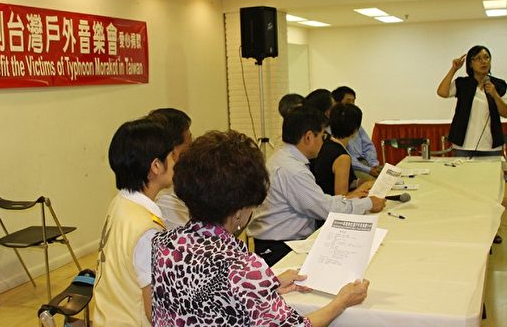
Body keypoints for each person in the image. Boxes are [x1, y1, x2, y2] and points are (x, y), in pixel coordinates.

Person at [151, 130, 370, 327]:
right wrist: (341, 302)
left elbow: (204, 300)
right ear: (239, 210)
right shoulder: (242, 268)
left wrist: (267, 286)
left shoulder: (163, 244)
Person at [247, 106, 386, 266]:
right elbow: (324, 208)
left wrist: (351, 199)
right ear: (308, 137)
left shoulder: (283, 158)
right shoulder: (292, 170)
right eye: (322, 136)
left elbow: (319, 201)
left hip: (281, 241)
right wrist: (368, 203)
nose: (323, 142)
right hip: (281, 248)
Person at [93, 113, 189, 326]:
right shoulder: (147, 230)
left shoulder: (120, 203)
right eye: (171, 156)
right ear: (156, 166)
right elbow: (154, 310)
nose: (175, 162)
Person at [437, 45, 507, 244]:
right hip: (463, 146)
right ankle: (467, 227)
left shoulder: (499, 85)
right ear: (470, 63)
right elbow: (442, 92)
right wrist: (453, 69)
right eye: (478, 58)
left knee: (491, 194)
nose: (483, 61)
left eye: (487, 57)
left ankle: (491, 230)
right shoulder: (462, 83)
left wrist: (494, 94)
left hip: (491, 148)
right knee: (464, 190)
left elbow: (506, 112)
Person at [313, 103, 373, 197]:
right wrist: (366, 186)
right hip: (330, 203)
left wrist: (359, 183)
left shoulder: (325, 142)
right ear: (355, 130)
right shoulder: (342, 157)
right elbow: (342, 198)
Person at [148, 108, 193, 229]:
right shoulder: (163, 198)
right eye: (188, 143)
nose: (192, 149)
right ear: (173, 150)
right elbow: (199, 236)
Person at [332, 86, 381, 178]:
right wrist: (368, 170)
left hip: (367, 163)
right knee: (374, 183)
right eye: (348, 101)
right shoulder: (334, 126)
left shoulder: (356, 122)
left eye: (353, 101)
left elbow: (368, 145)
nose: (352, 105)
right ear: (337, 103)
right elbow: (346, 156)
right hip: (353, 167)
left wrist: (373, 164)